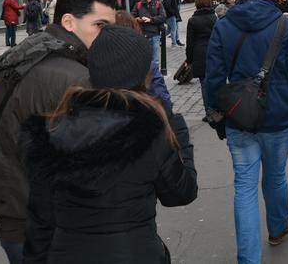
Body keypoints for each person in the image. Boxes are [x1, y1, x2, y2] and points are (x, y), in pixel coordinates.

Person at [20, 26, 198, 263]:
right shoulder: (150, 129)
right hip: (136, 254)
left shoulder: (53, 130)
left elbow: (40, 219)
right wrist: (178, 133)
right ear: (140, 72)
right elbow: (181, 192)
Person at [0, 0, 118, 263]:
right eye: (100, 25)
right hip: (49, 223)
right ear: (68, 22)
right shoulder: (75, 79)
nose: (108, 37)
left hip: (13, 210)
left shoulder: (20, 59)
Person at [204, 0, 288, 263]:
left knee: (244, 186)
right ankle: (278, 226)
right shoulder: (283, 24)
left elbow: (212, 77)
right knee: (275, 175)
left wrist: (216, 115)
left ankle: (249, 259)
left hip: (240, 116)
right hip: (277, 115)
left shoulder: (224, 26)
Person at [184, 0, 217, 117]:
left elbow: (190, 42)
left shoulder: (193, 20)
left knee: (204, 83)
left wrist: (189, 59)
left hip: (199, 53)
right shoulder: (215, 17)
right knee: (217, 81)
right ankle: (217, 109)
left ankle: (208, 112)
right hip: (215, 51)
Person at [132, 0, 167, 70]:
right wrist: (138, 19)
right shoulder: (138, 4)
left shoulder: (157, 3)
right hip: (141, 34)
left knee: (154, 60)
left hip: (154, 35)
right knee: (142, 59)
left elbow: (163, 17)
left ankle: (154, 79)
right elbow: (131, 16)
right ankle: (145, 78)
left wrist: (150, 20)